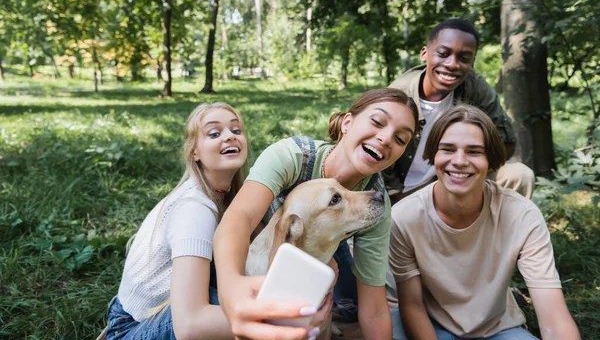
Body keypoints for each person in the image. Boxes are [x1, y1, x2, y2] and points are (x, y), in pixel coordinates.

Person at [213, 88, 419, 340]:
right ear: (347, 122)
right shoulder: (293, 155)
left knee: (350, 305)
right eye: (377, 122)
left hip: (322, 247)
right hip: (257, 244)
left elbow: (374, 309)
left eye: (400, 139)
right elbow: (239, 219)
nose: (386, 138)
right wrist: (231, 288)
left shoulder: (377, 202)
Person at [388, 105, 581, 340]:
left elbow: (554, 319)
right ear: (433, 156)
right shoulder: (403, 217)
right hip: (430, 324)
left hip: (497, 329)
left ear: (491, 161)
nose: (459, 161)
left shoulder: (522, 215)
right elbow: (412, 306)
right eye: (447, 149)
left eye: (474, 152)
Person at [103, 102, 249, 340]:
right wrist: (278, 320)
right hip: (131, 328)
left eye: (236, 130)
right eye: (214, 133)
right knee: (237, 306)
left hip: (157, 315)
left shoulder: (227, 196)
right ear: (195, 152)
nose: (229, 137)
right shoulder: (195, 210)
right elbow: (190, 326)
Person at [386, 18, 534, 203]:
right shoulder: (398, 96)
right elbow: (376, 155)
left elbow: (506, 142)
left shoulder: (474, 87)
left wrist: (463, 173)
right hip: (398, 191)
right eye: (443, 53)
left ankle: (494, 230)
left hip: (448, 179)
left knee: (518, 175)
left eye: (464, 58)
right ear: (425, 54)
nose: (452, 64)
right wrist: (399, 201)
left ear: (472, 63)